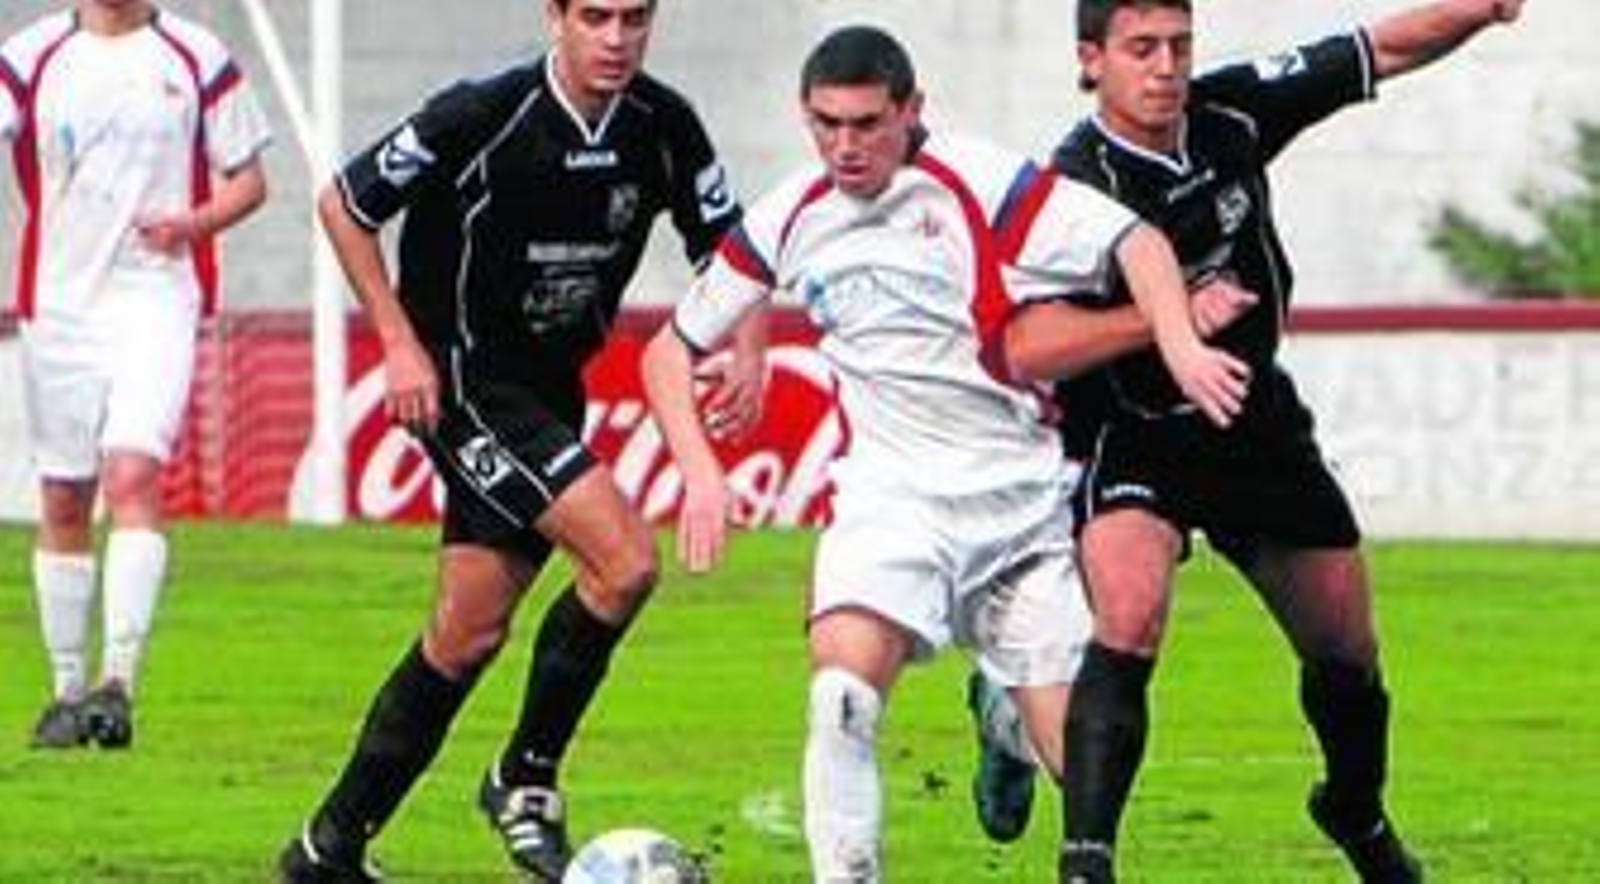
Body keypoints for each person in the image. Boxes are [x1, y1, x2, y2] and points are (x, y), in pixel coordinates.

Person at [640, 24, 1249, 882]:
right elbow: (667, 351)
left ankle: (1003, 721)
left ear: (910, 110)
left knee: (1086, 771)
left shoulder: (983, 182)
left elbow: (1138, 243)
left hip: (1020, 507)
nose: (845, 148)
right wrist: (701, 473)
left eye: (866, 124)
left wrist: (1180, 343)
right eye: (826, 125)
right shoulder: (792, 215)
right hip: (892, 504)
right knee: (841, 701)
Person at [969, 1, 1527, 881]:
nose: (1166, 67)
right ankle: (1085, 863)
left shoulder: (1229, 113)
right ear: (1092, 60)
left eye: (1179, 46)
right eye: (1141, 49)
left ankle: (1354, 812)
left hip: (1252, 422)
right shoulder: (1068, 189)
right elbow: (1027, 345)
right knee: (1130, 616)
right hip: (1134, 433)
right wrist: (1167, 321)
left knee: (1346, 653)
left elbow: (1377, 49)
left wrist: (1483, 9)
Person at [275, 1, 766, 881]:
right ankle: (525, 779)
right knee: (625, 561)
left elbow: (733, 251)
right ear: (555, 17)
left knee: (464, 634)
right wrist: (397, 343)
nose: (615, 38)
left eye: (634, 19)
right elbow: (345, 204)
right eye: (596, 17)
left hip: (550, 392)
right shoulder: (480, 114)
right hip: (465, 384)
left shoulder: (663, 125)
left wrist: (750, 348)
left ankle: (327, 848)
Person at [0, 0, 270, 750]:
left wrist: (193, 224)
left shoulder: (195, 55)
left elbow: (250, 181)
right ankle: (65, 691)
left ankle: (117, 683)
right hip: (59, 305)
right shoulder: (30, 58)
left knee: (132, 474)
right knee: (64, 494)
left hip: (156, 297)